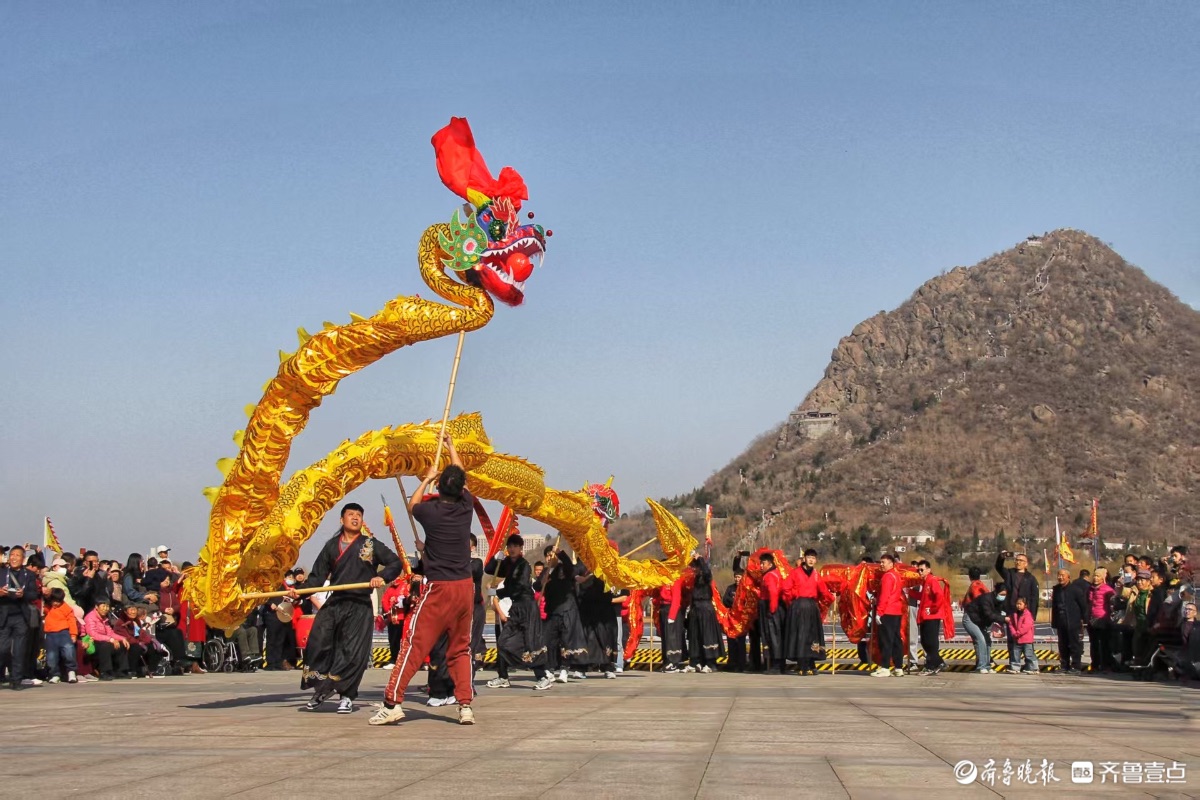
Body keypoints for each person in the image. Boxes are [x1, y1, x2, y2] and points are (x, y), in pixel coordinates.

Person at [373, 435, 477, 726]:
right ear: (459, 489)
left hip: (439, 588)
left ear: (439, 487)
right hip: (465, 589)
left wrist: (425, 478)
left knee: (415, 644)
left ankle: (392, 702)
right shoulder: (465, 507)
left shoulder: (429, 512)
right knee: (460, 648)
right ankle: (465, 705)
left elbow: (412, 504)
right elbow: (462, 479)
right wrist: (452, 448)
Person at [292, 501, 402, 715]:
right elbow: (316, 577)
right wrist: (299, 591)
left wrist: (381, 577)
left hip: (359, 605)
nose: (355, 518)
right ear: (341, 520)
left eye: (359, 515)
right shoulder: (331, 546)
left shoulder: (371, 544)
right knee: (318, 641)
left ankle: (347, 696)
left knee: (351, 652)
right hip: (336, 602)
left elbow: (395, 563)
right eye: (350, 514)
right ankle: (323, 689)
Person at [485, 533, 552, 691]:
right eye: (510, 546)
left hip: (527, 607)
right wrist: (496, 558)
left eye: (515, 546)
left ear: (521, 548)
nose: (512, 549)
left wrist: (497, 593)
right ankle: (503, 676)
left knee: (531, 642)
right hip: (516, 608)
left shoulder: (524, 565)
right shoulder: (506, 562)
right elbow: (488, 569)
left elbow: (518, 587)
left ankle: (542, 677)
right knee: (503, 641)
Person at [537, 544, 590, 681]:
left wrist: (561, 553)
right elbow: (536, 586)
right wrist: (543, 581)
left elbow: (571, 569)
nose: (549, 558)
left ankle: (564, 669)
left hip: (566, 610)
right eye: (547, 556)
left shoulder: (562, 569)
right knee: (549, 640)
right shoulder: (545, 572)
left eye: (551, 555)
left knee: (566, 640)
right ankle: (549, 668)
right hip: (552, 611)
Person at [782, 549, 831, 676]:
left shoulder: (816, 574)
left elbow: (823, 590)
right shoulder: (795, 572)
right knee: (801, 635)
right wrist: (793, 600)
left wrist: (831, 598)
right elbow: (786, 589)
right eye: (809, 557)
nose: (811, 560)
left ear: (816, 560)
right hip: (799, 605)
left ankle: (811, 662)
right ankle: (802, 664)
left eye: (813, 558)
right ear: (804, 558)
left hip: (811, 606)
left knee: (813, 636)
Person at [0, 545, 39, 690]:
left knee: (19, 649)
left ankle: (16, 679)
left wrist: (24, 595)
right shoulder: (2, 571)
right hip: (3, 615)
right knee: (2, 649)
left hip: (21, 616)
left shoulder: (29, 575)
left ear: (23, 559)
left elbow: (34, 594)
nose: (14, 557)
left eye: (17, 555)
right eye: (12, 555)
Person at [995, 550, 1039, 671]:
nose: (1018, 562)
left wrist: (1033, 615)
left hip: (1025, 614)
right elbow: (998, 567)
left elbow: (1035, 598)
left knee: (1027, 641)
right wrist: (1002, 557)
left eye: (1021, 561)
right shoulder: (1009, 574)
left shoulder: (1031, 579)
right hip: (1012, 611)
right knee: (1012, 639)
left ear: (1026, 564)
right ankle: (1014, 664)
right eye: (1017, 560)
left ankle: (1030, 665)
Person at [682, 553, 724, 674]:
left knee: (707, 635)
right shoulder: (694, 579)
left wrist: (700, 558)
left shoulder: (705, 577)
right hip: (695, 608)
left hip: (705, 608)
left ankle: (711, 663)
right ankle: (695, 662)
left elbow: (706, 571)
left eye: (695, 567)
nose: (693, 569)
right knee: (694, 636)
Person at [873, 554, 906, 677]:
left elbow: (885, 596)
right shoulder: (896, 576)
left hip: (887, 612)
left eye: (883, 562)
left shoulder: (887, 577)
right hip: (896, 612)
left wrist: (879, 612)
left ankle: (885, 667)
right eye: (880, 562)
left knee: (885, 640)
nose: (881, 564)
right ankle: (898, 667)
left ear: (891, 564)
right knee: (896, 640)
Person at [1050, 569, 1088, 674]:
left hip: (1073, 621)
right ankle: (1064, 666)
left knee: (1074, 644)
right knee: (1062, 645)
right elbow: (1054, 607)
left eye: (1063, 575)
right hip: (1061, 621)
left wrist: (1084, 620)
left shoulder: (1075, 589)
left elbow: (1083, 606)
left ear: (1068, 577)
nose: (1060, 577)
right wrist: (1054, 622)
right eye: (1059, 575)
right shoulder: (1056, 589)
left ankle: (1076, 666)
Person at [916, 561, 949, 676]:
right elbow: (924, 597)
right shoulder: (925, 582)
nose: (919, 572)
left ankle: (932, 665)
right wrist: (909, 592)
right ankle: (938, 663)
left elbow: (939, 596)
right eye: (918, 570)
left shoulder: (932, 581)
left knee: (929, 642)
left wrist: (933, 609)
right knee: (925, 641)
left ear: (928, 570)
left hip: (931, 616)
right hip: (926, 616)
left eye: (922, 569)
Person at [84, 599, 129, 679]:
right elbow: (92, 634)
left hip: (105, 640)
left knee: (122, 645)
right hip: (93, 642)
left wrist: (122, 639)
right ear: (96, 607)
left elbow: (110, 632)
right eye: (103, 606)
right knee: (106, 646)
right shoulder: (90, 617)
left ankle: (121, 671)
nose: (106, 608)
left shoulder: (104, 618)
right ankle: (104, 672)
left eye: (107, 606)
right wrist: (110, 639)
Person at [959, 567, 993, 673]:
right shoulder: (982, 586)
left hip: (970, 617)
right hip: (976, 617)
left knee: (981, 640)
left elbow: (978, 600)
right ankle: (984, 665)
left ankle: (983, 665)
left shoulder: (975, 586)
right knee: (983, 639)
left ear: (969, 576)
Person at [42, 588, 78, 684]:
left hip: (64, 633)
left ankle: (71, 671)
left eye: (58, 601)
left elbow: (72, 621)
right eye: (54, 601)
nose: (56, 603)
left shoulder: (66, 608)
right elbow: (44, 603)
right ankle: (54, 674)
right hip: (50, 634)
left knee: (68, 651)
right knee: (51, 656)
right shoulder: (48, 607)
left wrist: (73, 634)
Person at [757, 552, 785, 674]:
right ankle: (778, 664)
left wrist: (771, 610)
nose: (761, 566)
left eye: (763, 563)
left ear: (770, 563)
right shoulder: (774, 574)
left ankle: (776, 665)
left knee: (773, 636)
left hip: (771, 608)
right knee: (775, 636)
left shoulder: (770, 576)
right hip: (773, 607)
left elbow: (773, 593)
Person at [1087, 567, 1117, 673]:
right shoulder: (1090, 589)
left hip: (1103, 619)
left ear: (1103, 577)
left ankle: (1106, 665)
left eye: (1098, 576)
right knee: (1093, 644)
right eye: (1094, 575)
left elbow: (1113, 605)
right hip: (1092, 619)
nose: (1095, 578)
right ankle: (1095, 664)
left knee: (1104, 644)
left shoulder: (1108, 590)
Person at [380, 573, 410, 668]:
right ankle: (394, 660)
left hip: (404, 618)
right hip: (392, 618)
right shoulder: (390, 588)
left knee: (406, 640)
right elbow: (384, 600)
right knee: (393, 640)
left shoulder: (406, 585)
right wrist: (388, 611)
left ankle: (407, 661)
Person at [656, 577, 684, 673]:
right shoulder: (663, 580)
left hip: (671, 609)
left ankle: (673, 661)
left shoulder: (675, 580)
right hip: (663, 608)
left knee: (672, 637)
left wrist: (672, 616)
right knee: (665, 637)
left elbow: (676, 598)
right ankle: (666, 661)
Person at [723, 570, 747, 672]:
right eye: (736, 577)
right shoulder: (730, 588)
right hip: (731, 619)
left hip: (741, 620)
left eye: (739, 577)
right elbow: (725, 600)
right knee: (731, 640)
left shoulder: (745, 588)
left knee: (741, 642)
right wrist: (735, 603)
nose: (737, 579)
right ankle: (731, 663)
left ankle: (742, 664)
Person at [1007, 597, 1038, 673]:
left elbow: (1026, 626)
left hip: (1026, 639)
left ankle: (1033, 668)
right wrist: (1014, 633)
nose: (1018, 605)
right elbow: (1011, 624)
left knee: (1029, 654)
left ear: (1025, 605)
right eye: (1017, 604)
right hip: (1017, 639)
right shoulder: (1014, 614)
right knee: (1015, 654)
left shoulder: (1027, 615)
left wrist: (1017, 633)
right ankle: (1015, 668)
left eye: (1020, 604)